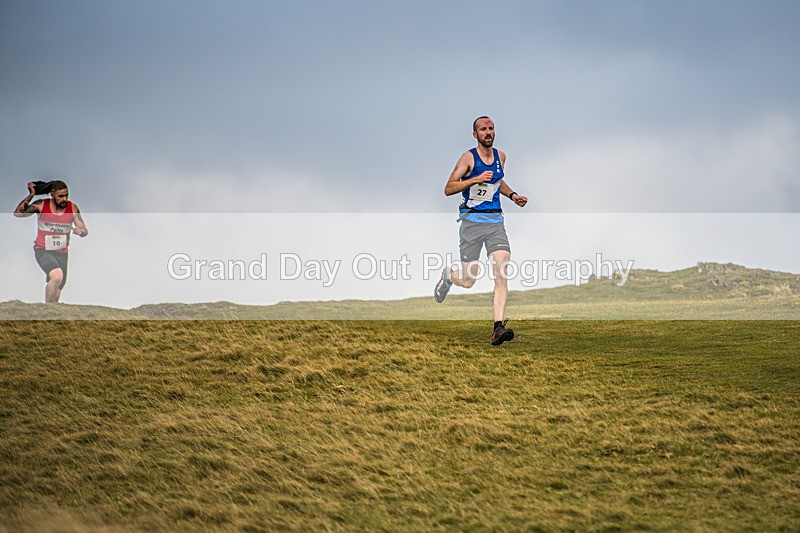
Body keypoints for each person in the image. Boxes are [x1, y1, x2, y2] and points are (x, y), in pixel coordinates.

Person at [434, 116, 528, 345]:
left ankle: (498, 328)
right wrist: (475, 178)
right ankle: (449, 277)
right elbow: (449, 188)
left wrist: (513, 196)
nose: (488, 132)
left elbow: (498, 182)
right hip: (471, 224)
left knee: (501, 270)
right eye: (483, 129)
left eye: (491, 128)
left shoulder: (500, 157)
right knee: (468, 281)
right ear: (475, 134)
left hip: (495, 222)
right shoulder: (468, 158)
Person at [14, 180, 88, 303]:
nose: (64, 199)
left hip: (62, 252)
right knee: (57, 276)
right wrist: (31, 195)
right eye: (60, 196)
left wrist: (81, 231)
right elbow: (18, 213)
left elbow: (84, 230)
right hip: (43, 249)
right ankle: (46, 309)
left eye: (66, 195)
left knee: (59, 286)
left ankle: (53, 312)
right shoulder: (42, 205)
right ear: (52, 195)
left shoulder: (72, 208)